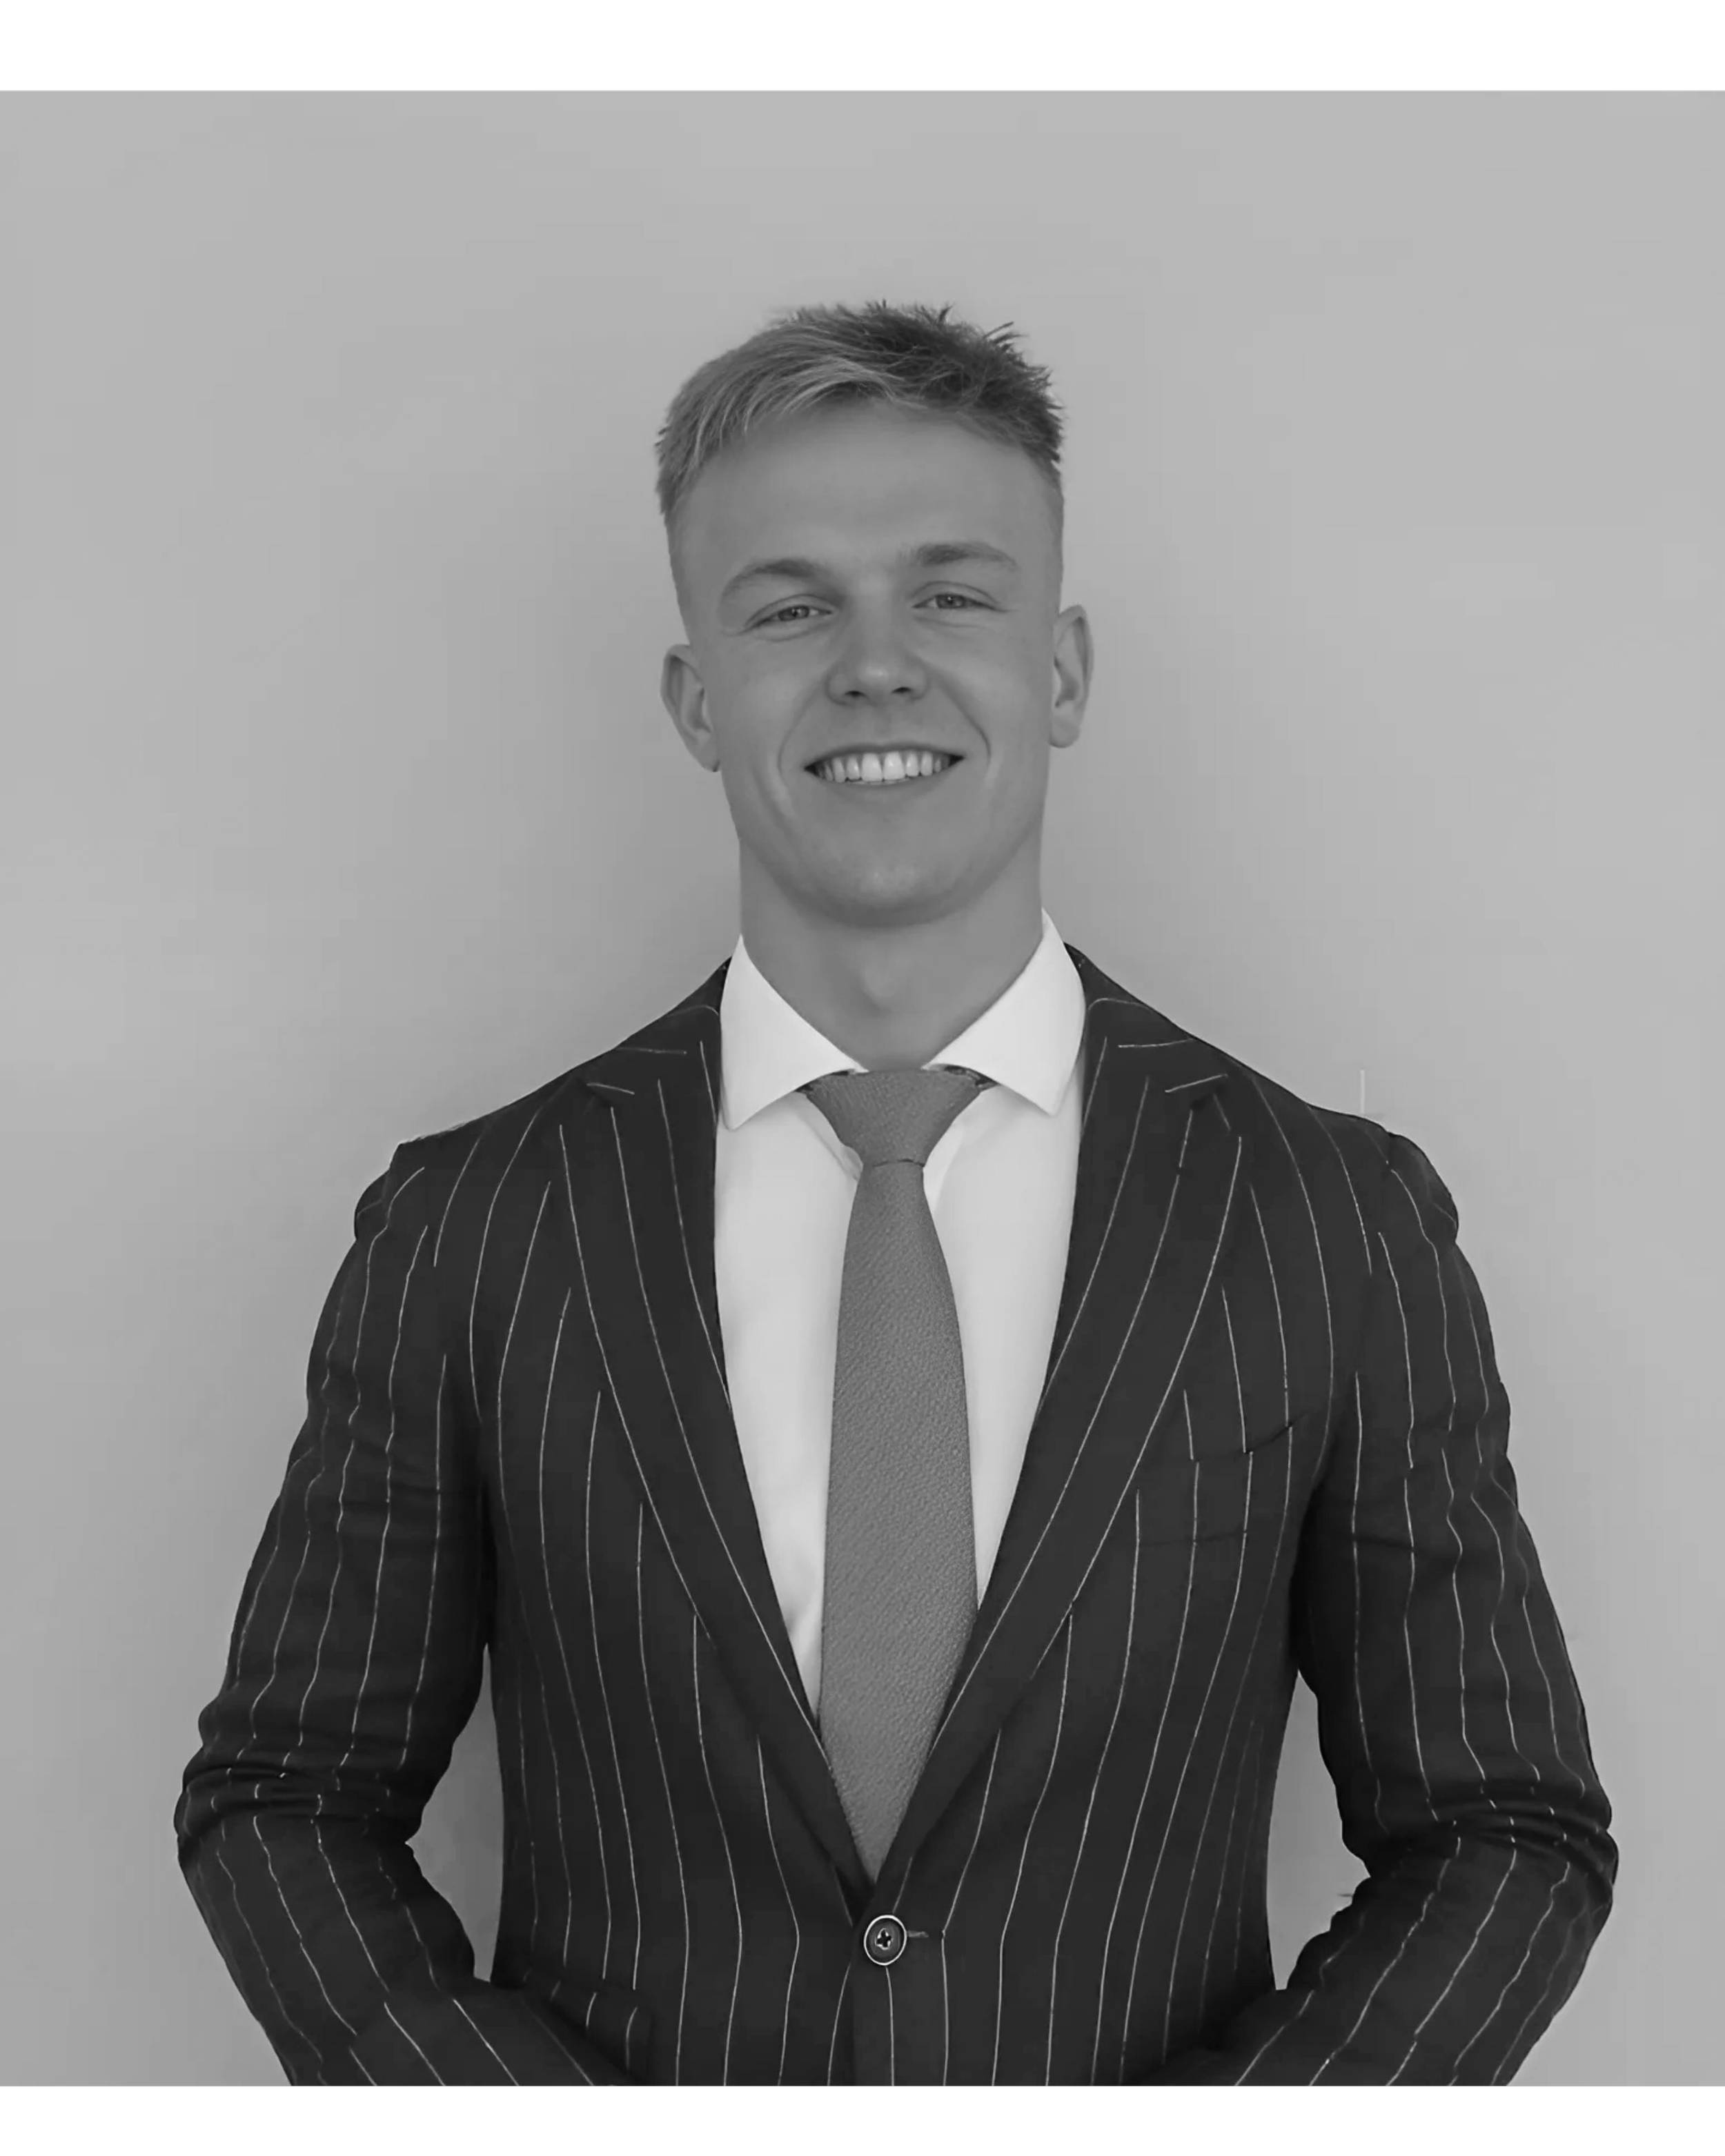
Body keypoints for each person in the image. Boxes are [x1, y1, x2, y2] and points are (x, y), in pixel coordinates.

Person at [175, 299, 1616, 2086]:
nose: (875, 664)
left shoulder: (1327, 1221)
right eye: (789, 605)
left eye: (950, 591)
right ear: (698, 694)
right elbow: (283, 1794)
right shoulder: (475, 1228)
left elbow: (1500, 1825)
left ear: (1063, 666)